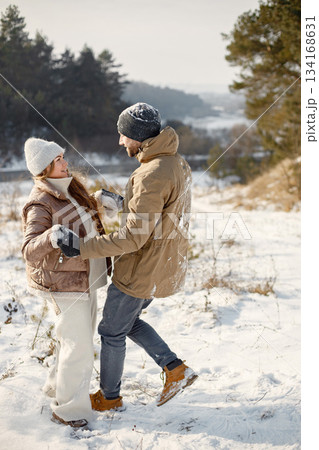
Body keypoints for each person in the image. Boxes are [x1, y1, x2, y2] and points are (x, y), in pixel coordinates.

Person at [57, 103, 198, 411]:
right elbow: (158, 213)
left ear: (136, 136)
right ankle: (175, 369)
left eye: (123, 135)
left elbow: (133, 237)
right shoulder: (174, 162)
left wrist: (80, 247)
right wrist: (120, 202)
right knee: (128, 322)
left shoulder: (151, 173)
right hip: (160, 264)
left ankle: (109, 398)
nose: (120, 142)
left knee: (111, 331)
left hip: (140, 268)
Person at [21, 137, 116, 427]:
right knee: (80, 347)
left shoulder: (71, 188)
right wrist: (51, 236)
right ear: (45, 168)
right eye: (59, 159)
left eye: (63, 157)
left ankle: (55, 389)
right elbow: (28, 249)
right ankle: (69, 410)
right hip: (66, 285)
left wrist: (100, 201)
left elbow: (85, 223)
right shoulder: (40, 201)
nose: (65, 162)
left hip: (87, 279)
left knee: (72, 340)